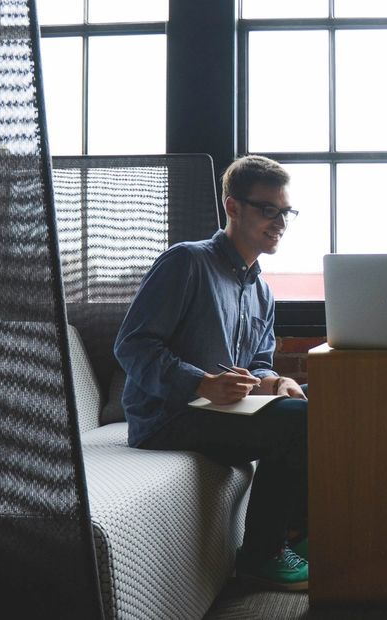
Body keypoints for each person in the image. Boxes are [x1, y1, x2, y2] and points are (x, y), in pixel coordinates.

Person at [113, 155, 311, 591]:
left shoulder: (261, 290)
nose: (280, 222)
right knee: (303, 421)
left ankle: (298, 531)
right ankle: (262, 556)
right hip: (169, 418)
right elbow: (132, 345)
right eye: (268, 210)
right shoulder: (186, 262)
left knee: (319, 400)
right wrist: (201, 383)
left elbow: (259, 361)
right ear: (233, 207)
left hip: (225, 413)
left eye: (286, 212)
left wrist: (275, 381)